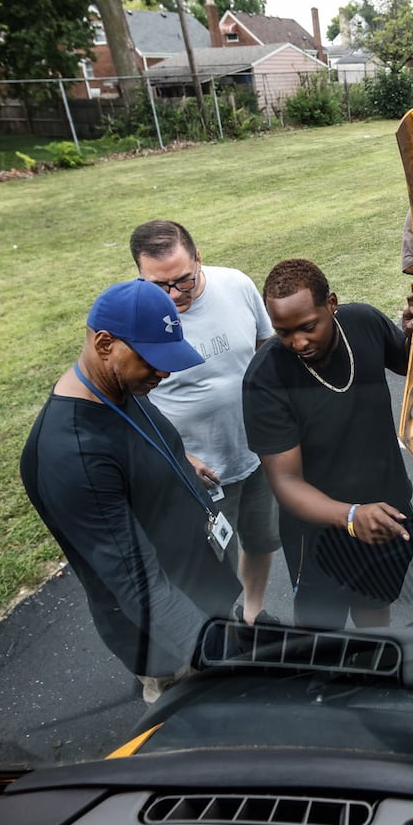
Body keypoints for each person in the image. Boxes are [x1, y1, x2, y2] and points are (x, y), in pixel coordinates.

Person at [20, 279, 240, 703]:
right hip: (177, 640)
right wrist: (222, 654)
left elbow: (138, 443)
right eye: (153, 359)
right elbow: (140, 586)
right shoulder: (73, 456)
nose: (165, 371)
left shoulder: (118, 385)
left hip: (203, 598)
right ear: (105, 344)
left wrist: (178, 458)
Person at [242, 259, 413, 630]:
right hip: (320, 533)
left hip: (388, 508)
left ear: (332, 303)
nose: (298, 342)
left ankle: (376, 672)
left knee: (375, 605)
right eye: (284, 331)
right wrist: (353, 516)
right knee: (322, 631)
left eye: (308, 327)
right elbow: (286, 482)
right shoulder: (265, 379)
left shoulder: (365, 323)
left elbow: (406, 363)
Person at [130, 220, 278, 626]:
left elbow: (266, 348)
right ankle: (214, 631)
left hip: (260, 452)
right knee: (208, 562)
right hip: (195, 472)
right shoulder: (134, 319)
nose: (175, 296)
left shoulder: (237, 286)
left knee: (261, 540)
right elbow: (125, 401)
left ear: (198, 259)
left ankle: (252, 614)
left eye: (184, 281)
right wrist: (180, 457)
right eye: (160, 286)